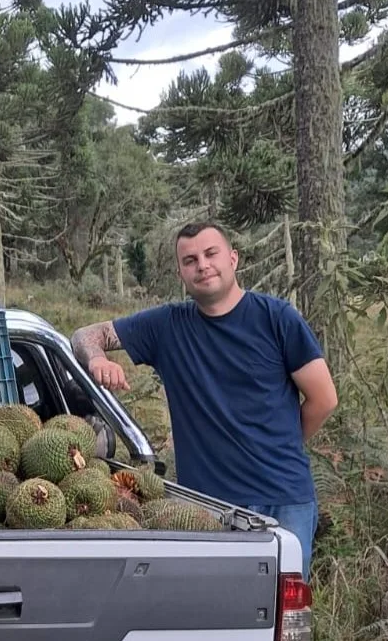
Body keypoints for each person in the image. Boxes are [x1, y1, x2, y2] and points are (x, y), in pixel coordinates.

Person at [69, 222, 338, 581]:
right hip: (206, 507)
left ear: (233, 258)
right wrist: (98, 359)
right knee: (213, 609)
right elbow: (85, 334)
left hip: (283, 498)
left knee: (279, 619)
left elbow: (324, 399)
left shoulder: (277, 319)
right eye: (190, 260)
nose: (203, 265)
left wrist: (279, 446)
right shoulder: (167, 326)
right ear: (182, 272)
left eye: (211, 254)